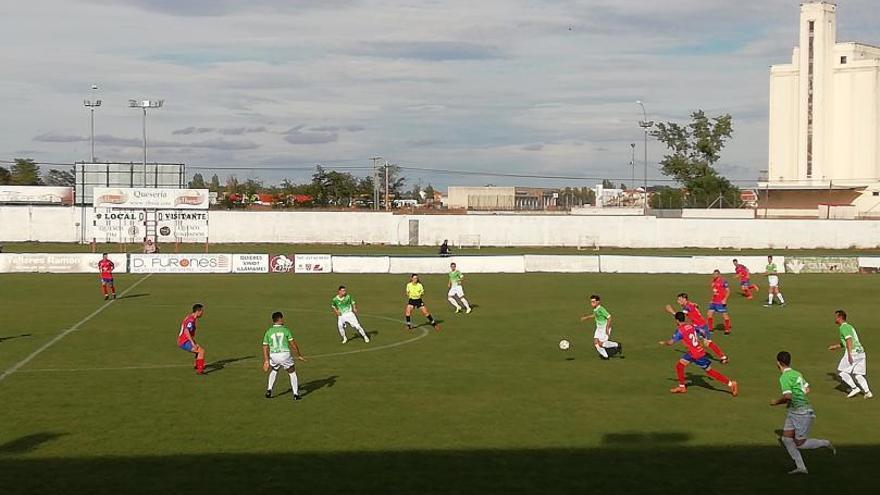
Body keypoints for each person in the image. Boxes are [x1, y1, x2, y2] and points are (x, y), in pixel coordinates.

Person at [770, 351, 835, 474]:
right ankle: (801, 467)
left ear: (779, 363)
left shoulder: (784, 377)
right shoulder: (797, 373)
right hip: (793, 411)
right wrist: (798, 396)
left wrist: (776, 402)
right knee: (786, 439)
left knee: (800, 444)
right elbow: (807, 388)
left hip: (801, 412)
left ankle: (825, 443)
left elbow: (788, 396)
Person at [659, 312, 738, 396]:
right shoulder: (691, 325)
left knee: (709, 371)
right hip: (696, 351)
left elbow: (671, 342)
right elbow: (702, 331)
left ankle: (731, 384)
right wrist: (704, 338)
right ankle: (682, 386)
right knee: (680, 366)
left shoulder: (680, 330)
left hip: (695, 354)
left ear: (677, 320)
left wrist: (664, 342)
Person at [665, 293, 728, 363]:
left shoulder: (687, 307)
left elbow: (681, 317)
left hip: (701, 326)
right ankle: (696, 355)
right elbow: (696, 306)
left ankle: (723, 357)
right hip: (697, 326)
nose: (678, 301)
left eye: (679, 299)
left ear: (684, 299)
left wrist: (672, 311)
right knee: (693, 341)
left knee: (707, 343)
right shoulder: (689, 304)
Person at [262, 311, 307, 401]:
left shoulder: (269, 332)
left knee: (275, 370)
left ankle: (269, 390)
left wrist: (266, 360)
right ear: (279, 319)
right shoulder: (285, 330)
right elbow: (293, 344)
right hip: (284, 354)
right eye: (282, 318)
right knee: (292, 372)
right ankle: (295, 394)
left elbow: (265, 346)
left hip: (274, 355)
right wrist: (299, 355)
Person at [828, 310, 872, 398]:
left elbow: (849, 340)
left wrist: (849, 354)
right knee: (858, 374)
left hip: (853, 352)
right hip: (861, 352)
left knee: (842, 372)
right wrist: (835, 346)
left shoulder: (843, 328)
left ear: (840, 317)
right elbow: (847, 341)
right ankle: (867, 392)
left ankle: (854, 388)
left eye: (836, 317)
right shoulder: (849, 327)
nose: (835, 319)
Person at [580, 295, 621, 360]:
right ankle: (605, 356)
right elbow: (595, 315)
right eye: (591, 302)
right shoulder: (596, 309)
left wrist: (607, 328)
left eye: (593, 302)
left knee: (601, 344)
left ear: (598, 302)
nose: (592, 303)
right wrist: (586, 317)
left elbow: (609, 317)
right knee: (596, 342)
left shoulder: (601, 309)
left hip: (604, 328)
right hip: (599, 328)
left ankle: (617, 345)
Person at [178, 304, 206, 374]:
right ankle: (200, 370)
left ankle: (197, 365)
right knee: (201, 351)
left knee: (198, 351)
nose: (202, 313)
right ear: (198, 311)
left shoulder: (191, 317)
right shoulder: (191, 320)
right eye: (202, 311)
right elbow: (186, 331)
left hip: (185, 340)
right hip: (184, 341)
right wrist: (193, 343)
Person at [706, 270, 732, 335]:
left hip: (720, 302)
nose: (714, 275)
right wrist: (712, 299)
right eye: (713, 274)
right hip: (713, 302)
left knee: (725, 316)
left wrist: (725, 299)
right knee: (709, 314)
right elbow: (715, 291)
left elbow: (728, 291)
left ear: (718, 275)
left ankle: (727, 329)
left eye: (715, 274)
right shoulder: (713, 281)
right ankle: (710, 329)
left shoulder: (723, 281)